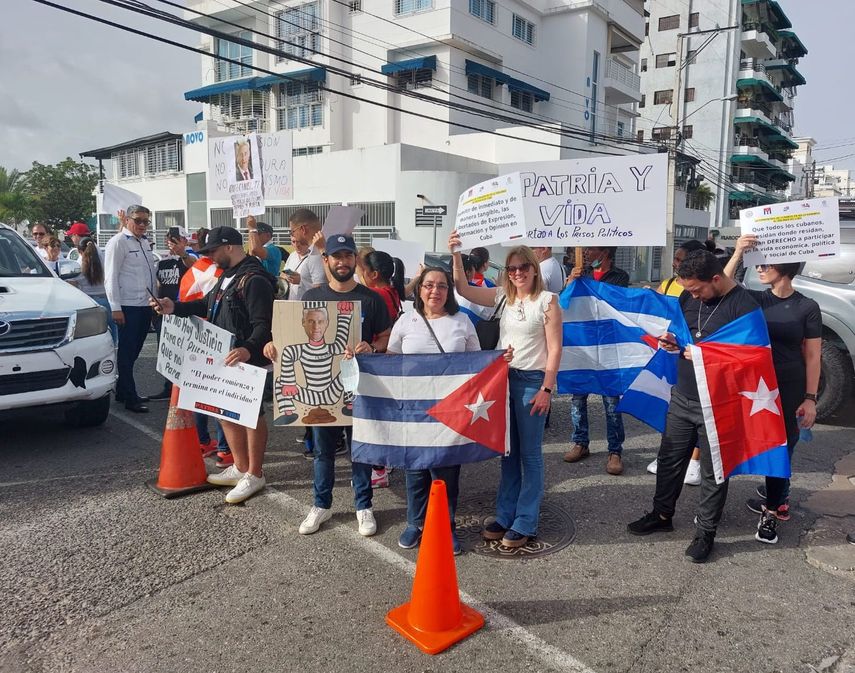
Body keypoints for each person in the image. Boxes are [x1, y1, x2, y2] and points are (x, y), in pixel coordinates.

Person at [628, 250, 759, 563]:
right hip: (684, 394)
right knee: (670, 459)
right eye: (688, 290)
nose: (693, 296)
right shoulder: (688, 298)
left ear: (716, 279)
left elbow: (752, 357)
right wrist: (670, 340)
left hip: (720, 403)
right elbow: (683, 333)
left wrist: (702, 356)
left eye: (697, 289)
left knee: (714, 471)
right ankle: (662, 515)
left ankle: (706, 532)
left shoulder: (745, 305)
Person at [270, 234, 391, 537]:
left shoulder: (371, 298)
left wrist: (372, 347)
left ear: (355, 260)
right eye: (336, 256)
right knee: (323, 451)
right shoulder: (312, 295)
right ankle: (320, 504)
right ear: (326, 260)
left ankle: (364, 506)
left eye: (348, 256)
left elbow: (388, 337)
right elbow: (288, 335)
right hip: (319, 395)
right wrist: (274, 346)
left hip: (359, 388)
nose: (342, 262)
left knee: (359, 451)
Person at [450, 234, 562, 548]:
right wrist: (457, 254)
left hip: (531, 383)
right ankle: (505, 514)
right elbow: (462, 289)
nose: (517, 272)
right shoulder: (503, 297)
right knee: (508, 453)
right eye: (512, 268)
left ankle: (526, 520)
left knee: (530, 455)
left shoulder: (548, 301)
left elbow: (555, 350)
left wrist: (547, 389)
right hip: (502, 380)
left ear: (534, 268)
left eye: (523, 266)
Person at [151, 226, 275, 504]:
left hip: (247, 359)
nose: (208, 256)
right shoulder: (227, 276)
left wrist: (247, 349)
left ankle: (255, 473)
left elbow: (264, 324)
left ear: (229, 247)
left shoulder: (254, 279)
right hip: (224, 356)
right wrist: (174, 307)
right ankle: (241, 467)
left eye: (212, 251)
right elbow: (207, 305)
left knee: (251, 415)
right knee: (224, 411)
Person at [724, 235, 821, 544]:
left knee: (782, 448)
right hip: (753, 385)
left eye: (768, 262)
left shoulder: (808, 306)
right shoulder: (758, 299)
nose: (761, 267)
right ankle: (719, 504)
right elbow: (722, 284)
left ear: (787, 266)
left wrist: (810, 399)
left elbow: (813, 355)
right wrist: (739, 251)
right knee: (749, 441)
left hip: (790, 385)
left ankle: (772, 510)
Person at [386, 266, 483, 555]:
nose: (435, 291)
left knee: (446, 471)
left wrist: (503, 359)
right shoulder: (405, 321)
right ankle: (415, 523)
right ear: (419, 289)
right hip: (414, 409)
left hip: (451, 411)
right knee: (415, 469)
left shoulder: (462, 321)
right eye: (429, 285)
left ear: (448, 291)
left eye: (441, 286)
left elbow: (477, 364)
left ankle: (446, 525)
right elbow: (391, 363)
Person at [563, 246, 630, 475]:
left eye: (592, 250)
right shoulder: (580, 274)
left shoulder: (620, 276)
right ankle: (580, 442)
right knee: (578, 397)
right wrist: (572, 280)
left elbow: (614, 304)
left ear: (605, 253)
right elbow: (564, 303)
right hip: (584, 344)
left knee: (611, 402)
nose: (588, 254)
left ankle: (615, 450)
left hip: (609, 344)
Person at [647, 239, 707, 486]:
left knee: (697, 412)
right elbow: (653, 306)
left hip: (693, 356)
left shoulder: (700, 290)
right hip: (672, 354)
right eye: (676, 259)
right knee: (673, 407)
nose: (675, 264)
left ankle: (694, 461)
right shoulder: (669, 284)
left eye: (681, 260)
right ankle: (670, 455)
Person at [179, 249, 231, 464]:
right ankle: (224, 449)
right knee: (218, 393)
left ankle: (202, 440)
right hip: (213, 334)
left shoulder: (196, 268)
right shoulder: (219, 272)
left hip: (191, 333)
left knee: (199, 392)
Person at [359, 250, 406, 488]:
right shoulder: (392, 290)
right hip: (387, 361)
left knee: (375, 416)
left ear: (374, 274)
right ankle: (384, 464)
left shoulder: (377, 294)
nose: (359, 273)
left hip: (378, 360)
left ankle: (379, 469)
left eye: (362, 269)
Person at [104, 206, 157, 413]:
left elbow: (148, 275)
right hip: (127, 306)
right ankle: (130, 397)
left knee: (134, 351)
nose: (142, 225)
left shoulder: (144, 243)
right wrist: (115, 308)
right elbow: (111, 277)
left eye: (146, 221)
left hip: (145, 305)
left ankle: (124, 389)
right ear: (127, 220)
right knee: (126, 352)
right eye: (138, 220)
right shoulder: (118, 242)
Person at [149, 229, 194, 401]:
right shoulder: (163, 261)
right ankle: (168, 386)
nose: (171, 242)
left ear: (184, 240)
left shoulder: (190, 256)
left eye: (176, 239)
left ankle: (187, 386)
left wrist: (182, 252)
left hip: (182, 311)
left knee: (184, 351)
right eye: (169, 239)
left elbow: (194, 267)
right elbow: (158, 283)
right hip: (164, 311)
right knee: (166, 350)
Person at [69, 237, 117, 344]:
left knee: (90, 335)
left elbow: (72, 284)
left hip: (88, 302)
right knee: (112, 331)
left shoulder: (78, 265)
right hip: (107, 300)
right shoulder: (104, 261)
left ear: (79, 251)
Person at [282, 209, 326, 301]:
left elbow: (319, 292)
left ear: (303, 229)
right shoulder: (317, 250)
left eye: (292, 232)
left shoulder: (316, 253)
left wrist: (300, 281)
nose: (292, 235)